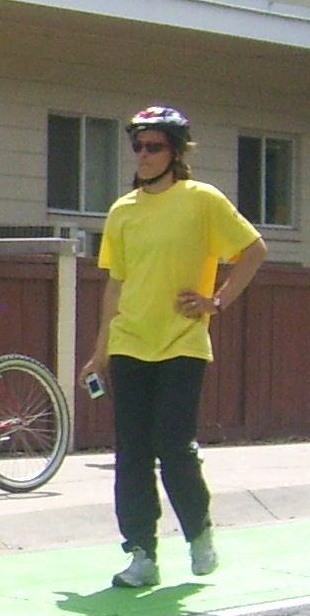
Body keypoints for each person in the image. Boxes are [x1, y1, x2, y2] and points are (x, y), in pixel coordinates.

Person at [81, 106, 266, 589]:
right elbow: (115, 286)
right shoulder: (123, 211)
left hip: (183, 343)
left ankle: (199, 533)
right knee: (132, 452)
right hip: (130, 344)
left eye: (154, 146)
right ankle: (142, 553)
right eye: (138, 146)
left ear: (176, 152)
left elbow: (253, 251)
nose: (143, 155)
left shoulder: (201, 200)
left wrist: (216, 301)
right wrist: (100, 350)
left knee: (172, 443)